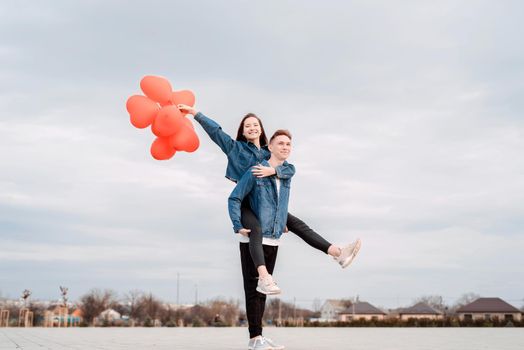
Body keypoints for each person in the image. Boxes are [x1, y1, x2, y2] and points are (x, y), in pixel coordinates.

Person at [228, 129, 293, 350]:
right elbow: (235, 197)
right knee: (253, 290)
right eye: (281, 143)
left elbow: (278, 203)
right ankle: (255, 339)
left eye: (289, 144)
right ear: (270, 147)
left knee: (262, 292)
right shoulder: (255, 170)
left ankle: (259, 337)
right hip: (252, 236)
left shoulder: (284, 175)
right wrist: (238, 225)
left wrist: (280, 220)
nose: (285, 147)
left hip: (272, 238)